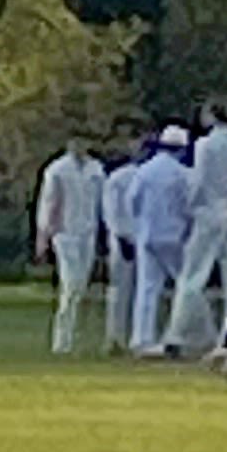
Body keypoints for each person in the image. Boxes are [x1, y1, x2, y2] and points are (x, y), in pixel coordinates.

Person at [170, 107, 227, 357]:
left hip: (208, 213)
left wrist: (189, 206)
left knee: (192, 275)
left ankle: (178, 334)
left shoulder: (205, 145)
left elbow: (199, 181)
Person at [34, 135, 105, 357]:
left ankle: (75, 338)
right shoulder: (58, 169)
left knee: (81, 287)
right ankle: (61, 340)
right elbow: (48, 202)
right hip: (64, 233)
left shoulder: (95, 169)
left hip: (88, 232)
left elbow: (102, 201)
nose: (80, 146)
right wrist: (43, 235)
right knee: (71, 284)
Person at [127, 123, 194, 355]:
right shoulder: (183, 174)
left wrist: (139, 225)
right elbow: (188, 206)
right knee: (184, 286)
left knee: (147, 288)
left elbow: (132, 201)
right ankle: (178, 335)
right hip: (174, 236)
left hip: (147, 234)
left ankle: (141, 339)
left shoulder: (144, 171)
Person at [100, 144, 145, 355]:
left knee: (129, 292)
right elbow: (111, 211)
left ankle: (126, 337)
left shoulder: (139, 175)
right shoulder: (119, 178)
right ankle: (117, 338)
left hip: (135, 239)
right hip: (127, 239)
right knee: (122, 290)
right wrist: (121, 237)